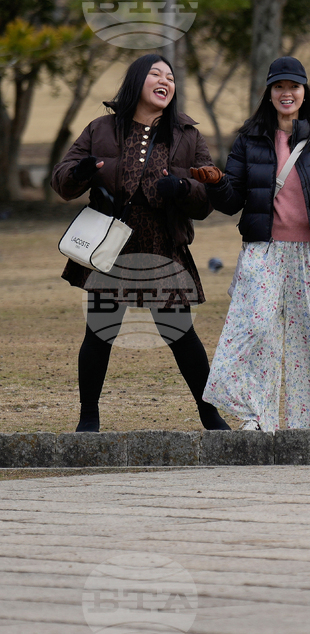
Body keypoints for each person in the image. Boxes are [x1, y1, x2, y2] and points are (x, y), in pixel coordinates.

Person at [52, 54, 230, 432]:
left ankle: (211, 418)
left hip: (162, 248)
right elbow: (62, 179)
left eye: (170, 76)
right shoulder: (100, 129)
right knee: (99, 333)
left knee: (181, 335)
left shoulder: (188, 134)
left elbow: (206, 198)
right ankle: (88, 421)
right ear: (137, 81)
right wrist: (80, 173)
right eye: (156, 73)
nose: (166, 80)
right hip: (111, 250)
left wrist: (183, 187)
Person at [196, 57, 310, 432]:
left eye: (294, 87)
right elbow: (231, 201)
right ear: (269, 94)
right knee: (255, 330)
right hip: (264, 249)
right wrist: (214, 182)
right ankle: (255, 415)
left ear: (305, 93)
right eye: (279, 87)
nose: (287, 93)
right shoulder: (249, 141)